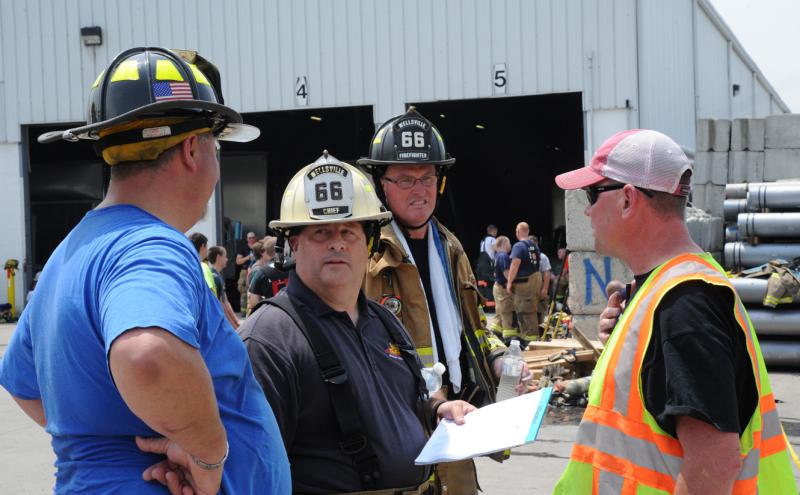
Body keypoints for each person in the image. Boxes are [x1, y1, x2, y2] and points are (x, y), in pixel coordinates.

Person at [0, 47, 290, 494]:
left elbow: (23, 382)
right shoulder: (150, 246)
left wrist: (111, 445)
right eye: (217, 148)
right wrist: (206, 457)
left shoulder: (70, 253)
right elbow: (145, 355)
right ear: (194, 149)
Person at [552, 129, 796, 494]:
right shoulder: (669, 291)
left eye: (592, 193)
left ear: (627, 200)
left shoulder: (686, 305)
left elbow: (714, 463)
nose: (586, 209)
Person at [239, 152, 474, 494]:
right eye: (321, 233)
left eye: (349, 231)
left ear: (370, 243)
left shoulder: (383, 321)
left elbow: (403, 404)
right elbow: (251, 469)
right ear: (293, 245)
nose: (337, 242)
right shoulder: (270, 340)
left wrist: (437, 409)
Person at [358, 108, 527, 493]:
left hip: (456, 430)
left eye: (428, 178)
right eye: (404, 179)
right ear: (381, 183)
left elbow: (474, 330)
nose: (419, 190)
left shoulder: (449, 247)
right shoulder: (365, 253)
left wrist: (499, 360)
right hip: (399, 439)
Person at [504, 222, 544, 340]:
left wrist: (509, 282)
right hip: (535, 282)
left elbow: (515, 265)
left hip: (524, 285)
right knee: (532, 310)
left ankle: (528, 340)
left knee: (524, 311)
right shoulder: (533, 245)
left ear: (518, 232)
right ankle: (533, 337)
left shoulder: (518, 246)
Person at [248, 236, 289, 312]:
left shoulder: (261, 272)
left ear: (266, 251)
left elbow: (254, 301)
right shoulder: (296, 266)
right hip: (296, 314)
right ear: (283, 249)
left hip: (272, 314)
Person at [208, 245, 241, 329]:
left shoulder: (218, 276)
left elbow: (225, 301)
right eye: (225, 256)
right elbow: (222, 304)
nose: (227, 259)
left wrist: (236, 321)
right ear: (219, 257)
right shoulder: (214, 277)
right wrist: (233, 325)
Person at [491, 236, 516, 340]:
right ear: (504, 243)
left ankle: (496, 333)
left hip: (497, 287)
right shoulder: (503, 256)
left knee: (500, 312)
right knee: (507, 313)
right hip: (503, 288)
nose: (510, 245)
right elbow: (507, 273)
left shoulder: (497, 256)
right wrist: (512, 284)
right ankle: (508, 339)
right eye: (509, 243)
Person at [189, 232, 218, 297]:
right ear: (202, 246)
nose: (207, 250)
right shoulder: (203, 266)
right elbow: (210, 292)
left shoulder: (188, 265)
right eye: (206, 247)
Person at [475, 224, 498, 305]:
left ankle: (482, 306)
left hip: (480, 266)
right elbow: (497, 250)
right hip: (488, 266)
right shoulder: (492, 240)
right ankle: (491, 307)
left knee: (481, 285)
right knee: (490, 285)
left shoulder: (483, 240)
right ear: (493, 231)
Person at [236, 231, 258, 311]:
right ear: (247, 239)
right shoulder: (243, 248)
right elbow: (238, 261)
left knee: (256, 290)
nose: (251, 239)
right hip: (245, 271)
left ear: (256, 238)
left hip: (257, 270)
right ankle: (243, 311)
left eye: (253, 237)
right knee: (243, 291)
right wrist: (248, 257)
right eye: (249, 238)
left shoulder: (259, 247)